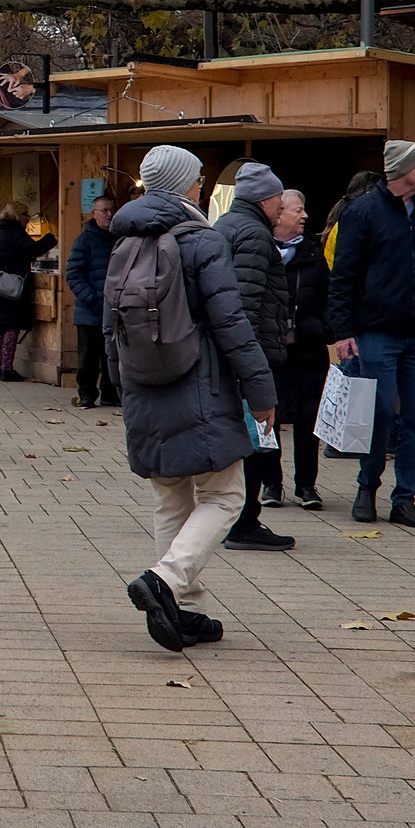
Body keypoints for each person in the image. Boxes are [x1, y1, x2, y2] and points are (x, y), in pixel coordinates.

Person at [109, 144, 278, 653]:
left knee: (170, 498)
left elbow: (107, 327)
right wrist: (261, 392)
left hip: (145, 382)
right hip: (200, 384)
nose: (201, 183)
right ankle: (165, 580)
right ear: (184, 184)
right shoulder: (200, 239)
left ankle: (184, 611)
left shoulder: (123, 240)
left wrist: (125, 388)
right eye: (197, 177)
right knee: (226, 494)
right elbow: (231, 323)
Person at [327, 139, 415, 529]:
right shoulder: (363, 212)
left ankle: (405, 499)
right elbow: (342, 276)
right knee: (380, 413)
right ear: (402, 169)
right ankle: (367, 488)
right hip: (376, 333)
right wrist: (343, 331)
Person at [216, 161, 297, 553]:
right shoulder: (253, 234)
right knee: (255, 439)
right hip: (251, 354)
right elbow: (244, 305)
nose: (284, 206)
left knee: (246, 437)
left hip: (235, 354)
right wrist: (252, 364)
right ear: (265, 199)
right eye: (280, 199)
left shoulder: (226, 226)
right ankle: (244, 521)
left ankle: (234, 517)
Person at [274, 191, 331, 511]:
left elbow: (329, 293)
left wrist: (324, 330)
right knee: (269, 417)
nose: (304, 215)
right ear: (279, 213)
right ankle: (271, 483)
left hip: (308, 347)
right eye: (298, 210)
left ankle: (306, 485)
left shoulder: (312, 251)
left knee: (309, 418)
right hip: (274, 349)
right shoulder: (263, 251)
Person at [0, 205, 57, 382]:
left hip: (0, 285)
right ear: (17, 216)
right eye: (26, 214)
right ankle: (6, 369)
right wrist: (50, 239)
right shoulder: (14, 233)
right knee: (12, 326)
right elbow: (31, 249)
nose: (28, 218)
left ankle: (2, 366)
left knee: (2, 328)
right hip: (14, 287)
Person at [66, 194, 118, 407]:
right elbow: (74, 274)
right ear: (94, 214)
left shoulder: (119, 238)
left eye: (110, 210)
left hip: (113, 309)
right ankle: (87, 393)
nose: (108, 214)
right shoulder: (84, 241)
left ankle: (110, 392)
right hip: (90, 310)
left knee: (111, 355)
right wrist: (92, 298)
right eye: (104, 211)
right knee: (88, 355)